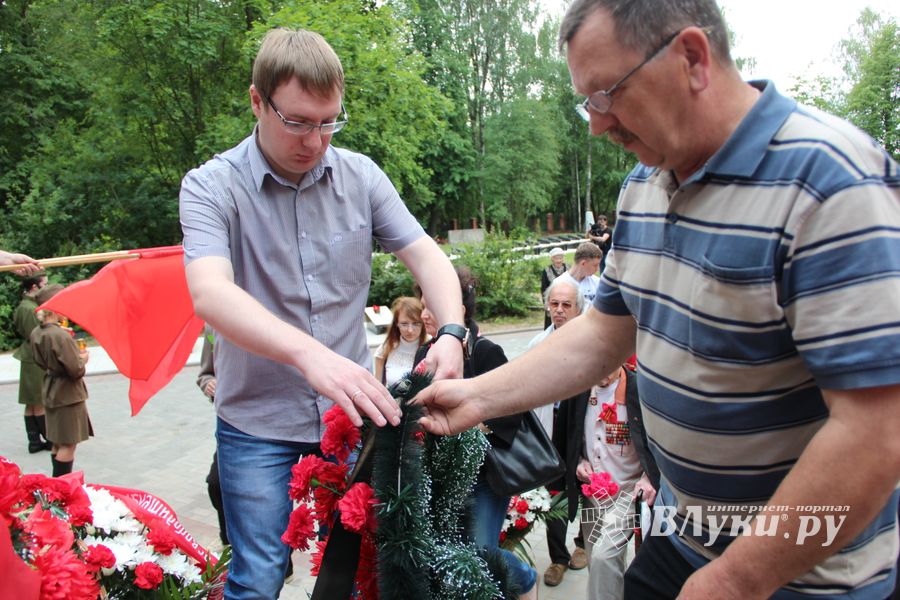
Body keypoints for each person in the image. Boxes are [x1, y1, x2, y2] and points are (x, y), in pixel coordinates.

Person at [415, 1, 900, 598]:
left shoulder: (831, 185)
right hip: (683, 539)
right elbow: (600, 338)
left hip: (802, 576)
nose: (596, 123)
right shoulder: (644, 185)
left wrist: (736, 579)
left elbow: (877, 431)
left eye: (607, 93)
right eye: (586, 100)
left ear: (692, 58)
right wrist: (476, 397)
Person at [179, 28, 465, 598]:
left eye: (330, 121)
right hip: (256, 426)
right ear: (258, 102)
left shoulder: (360, 176)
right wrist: (311, 357)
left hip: (351, 419)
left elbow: (428, 257)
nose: (317, 139)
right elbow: (210, 293)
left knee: (363, 576)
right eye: (298, 122)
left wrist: (453, 333)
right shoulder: (211, 187)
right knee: (257, 581)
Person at [414, 266, 537, 600]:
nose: (425, 314)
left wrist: (468, 425)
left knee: (481, 551)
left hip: (485, 476)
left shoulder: (486, 352)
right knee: (449, 552)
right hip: (441, 477)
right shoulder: (424, 354)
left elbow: (511, 413)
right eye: (423, 305)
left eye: (432, 306)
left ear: (460, 311)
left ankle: (525, 579)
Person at [575, 364, 658, 600]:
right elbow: (570, 438)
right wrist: (579, 462)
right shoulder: (579, 389)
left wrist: (649, 476)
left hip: (627, 495)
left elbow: (659, 442)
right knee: (598, 564)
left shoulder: (639, 390)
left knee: (603, 556)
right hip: (593, 497)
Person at [527, 277, 588, 586]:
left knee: (590, 489)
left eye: (567, 305)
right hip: (551, 429)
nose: (560, 310)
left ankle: (583, 543)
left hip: (586, 430)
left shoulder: (591, 344)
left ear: (578, 309)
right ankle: (558, 558)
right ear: (547, 306)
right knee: (553, 494)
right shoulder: (537, 346)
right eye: (555, 304)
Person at [29, 284, 93, 477]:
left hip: (51, 388)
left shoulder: (37, 333)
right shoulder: (59, 335)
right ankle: (60, 487)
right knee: (68, 444)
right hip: (67, 394)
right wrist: (82, 359)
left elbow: (39, 361)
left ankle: (57, 485)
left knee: (58, 441)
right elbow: (75, 370)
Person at [14, 273, 52, 453]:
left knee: (31, 402)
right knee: (38, 401)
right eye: (44, 283)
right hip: (35, 358)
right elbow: (36, 336)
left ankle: (34, 442)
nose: (47, 286)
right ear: (34, 287)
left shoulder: (25, 305)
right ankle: (49, 439)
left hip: (29, 357)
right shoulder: (30, 309)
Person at [374, 296, 428, 387]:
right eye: (404, 324)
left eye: (416, 323)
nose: (410, 330)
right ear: (397, 324)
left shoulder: (430, 348)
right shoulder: (386, 349)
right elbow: (377, 386)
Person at [559, 242, 601, 306]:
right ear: (583, 263)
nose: (597, 269)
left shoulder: (597, 282)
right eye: (595, 265)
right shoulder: (559, 284)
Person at [540, 247, 569, 329]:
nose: (559, 260)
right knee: (551, 324)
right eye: (556, 258)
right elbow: (544, 289)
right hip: (553, 300)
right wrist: (546, 304)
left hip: (567, 299)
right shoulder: (546, 271)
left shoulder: (569, 268)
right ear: (552, 259)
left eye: (561, 258)